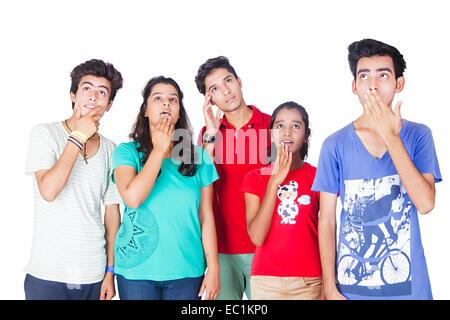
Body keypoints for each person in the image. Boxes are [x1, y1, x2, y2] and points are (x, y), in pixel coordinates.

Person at [312, 39, 442, 300]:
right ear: (354, 86)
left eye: (383, 75)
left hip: (411, 290)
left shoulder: (419, 135)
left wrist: (391, 136)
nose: (372, 85)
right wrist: (328, 286)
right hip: (350, 291)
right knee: (372, 243)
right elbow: (326, 220)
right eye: (364, 76)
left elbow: (426, 203)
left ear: (399, 83)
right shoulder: (334, 144)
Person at [112, 76, 220, 300]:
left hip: (187, 270)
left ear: (179, 111)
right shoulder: (126, 152)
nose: (166, 103)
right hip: (136, 272)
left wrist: (214, 267)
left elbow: (206, 217)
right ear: (145, 110)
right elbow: (132, 198)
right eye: (158, 98)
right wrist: (159, 150)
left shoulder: (199, 158)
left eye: (173, 99)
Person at [24, 59, 123, 300]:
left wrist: (110, 272)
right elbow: (48, 191)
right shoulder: (45, 133)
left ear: (109, 104)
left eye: (102, 92)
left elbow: (112, 216)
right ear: (73, 95)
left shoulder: (111, 149)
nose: (93, 97)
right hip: (47, 274)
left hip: (94, 274)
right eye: (86, 89)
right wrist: (78, 135)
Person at [195, 56, 271, 299]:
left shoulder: (272, 126)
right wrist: (211, 134)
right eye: (214, 89)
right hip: (223, 250)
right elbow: (201, 184)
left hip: (267, 247)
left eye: (228, 81)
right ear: (209, 99)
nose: (225, 90)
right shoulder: (208, 135)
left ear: (239, 81)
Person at [241, 102, 322, 300]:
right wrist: (275, 180)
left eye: (295, 126)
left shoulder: (317, 176)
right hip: (265, 282)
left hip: (309, 281)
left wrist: (329, 281)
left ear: (306, 135)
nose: (287, 132)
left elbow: (329, 228)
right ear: (270, 134)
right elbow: (257, 237)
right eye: (280, 126)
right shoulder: (254, 178)